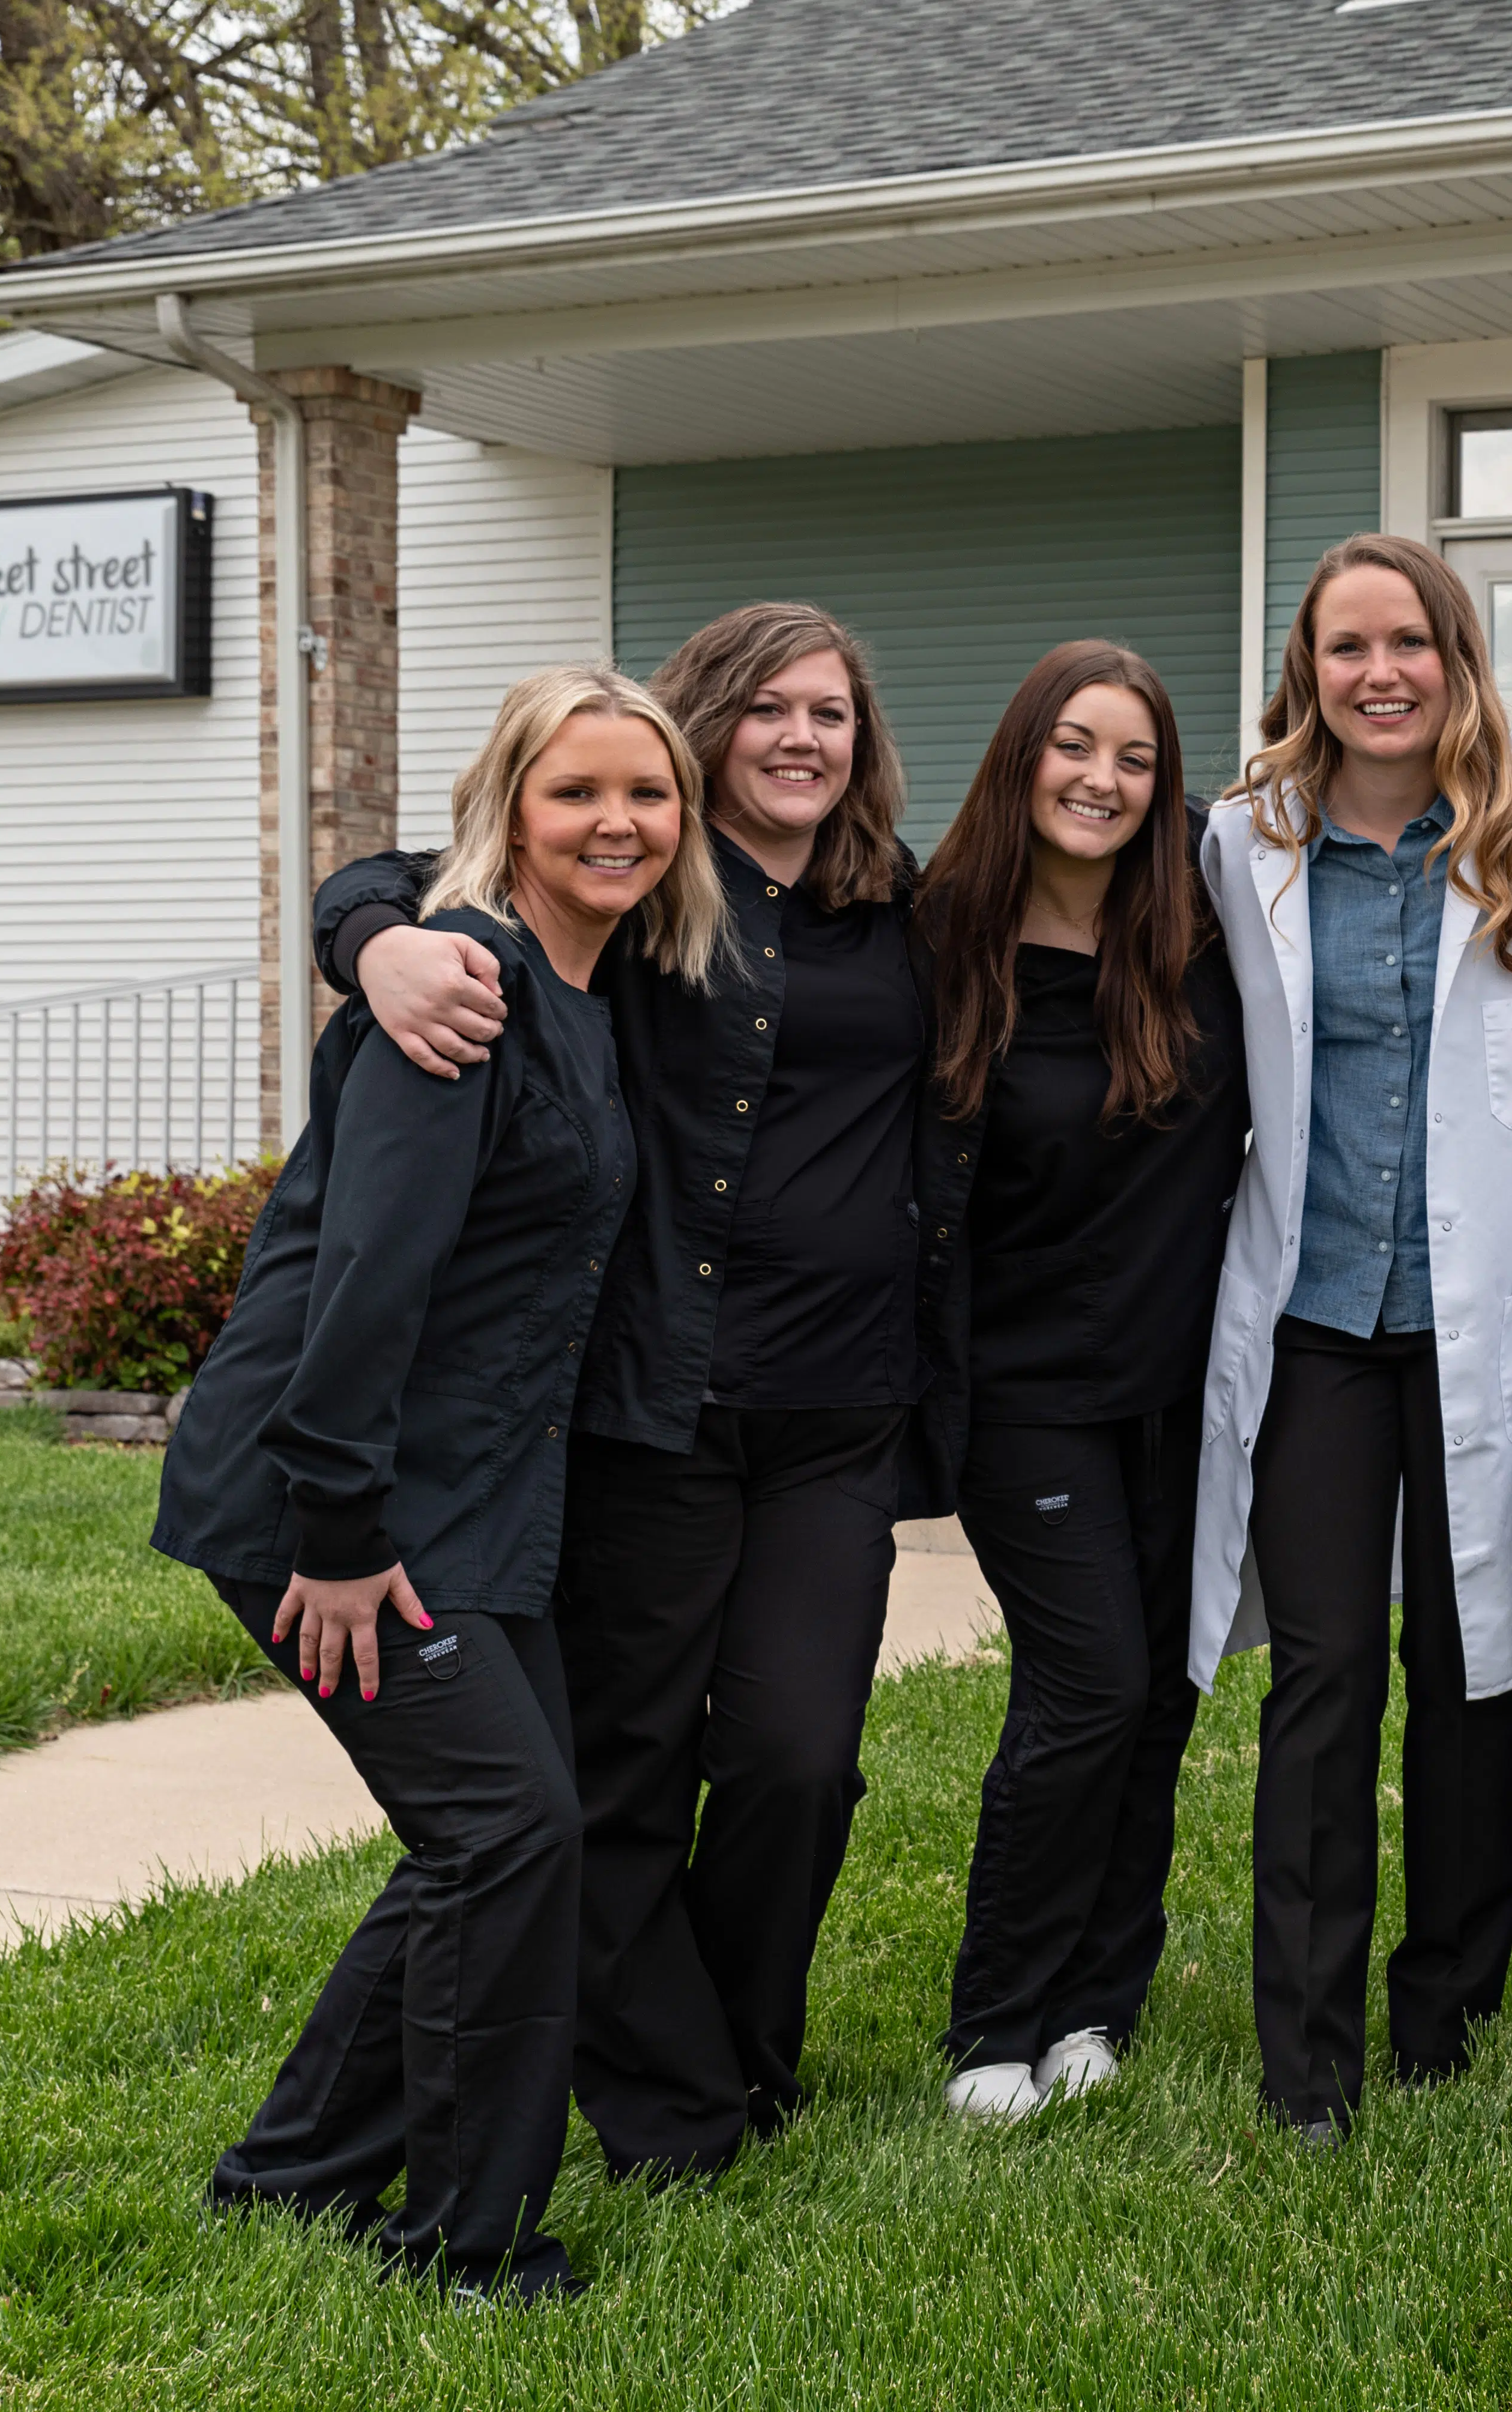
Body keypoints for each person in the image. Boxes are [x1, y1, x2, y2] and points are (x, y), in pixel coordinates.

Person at [311, 602, 947, 2180]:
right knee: (630, 1774)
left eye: (835, 712)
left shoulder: (906, 908)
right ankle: (678, 2109)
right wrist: (373, 943)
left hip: (836, 1420)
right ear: (705, 729)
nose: (805, 738)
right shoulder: (639, 891)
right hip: (652, 1408)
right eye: (771, 710)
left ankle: (730, 2054)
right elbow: (410, 879)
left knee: (802, 1762)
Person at [159, 665, 722, 2300]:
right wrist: (337, 1536)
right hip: (336, 1501)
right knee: (510, 1835)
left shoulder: (585, 991)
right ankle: (466, 2247)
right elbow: (365, 1288)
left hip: (469, 1502)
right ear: (511, 811)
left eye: (647, 795)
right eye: (577, 794)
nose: (617, 822)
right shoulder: (462, 987)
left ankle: (290, 2178)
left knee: (493, 1839)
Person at [1193, 534, 1512, 2142]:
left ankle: (1449, 2010)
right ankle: (1310, 2055)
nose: (1380, 676)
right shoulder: (1241, 842)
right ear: (1308, 668)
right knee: (1329, 1674)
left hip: (1481, 1316)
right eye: (1347, 648)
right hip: (1315, 1321)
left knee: (1470, 1665)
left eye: (1409, 644)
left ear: (1456, 657)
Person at [910, 641, 1248, 2124]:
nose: (1100, 780)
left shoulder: (1205, 931)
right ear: (1019, 758)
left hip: (1182, 1386)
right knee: (1087, 1684)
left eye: (1132, 757)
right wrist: (375, 926)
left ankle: (1095, 2002)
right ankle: (995, 2016)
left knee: (1159, 1694)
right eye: (1073, 746)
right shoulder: (932, 941)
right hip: (1021, 1387)